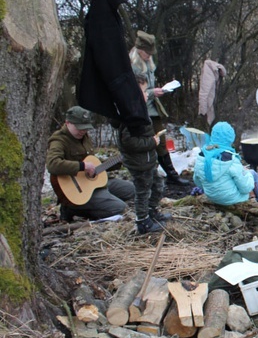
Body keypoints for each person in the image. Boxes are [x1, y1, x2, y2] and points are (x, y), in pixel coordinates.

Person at [46, 106, 135, 222]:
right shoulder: (59, 140)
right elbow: (52, 164)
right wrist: (82, 166)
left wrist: (118, 162)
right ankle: (73, 209)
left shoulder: (84, 137)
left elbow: (94, 165)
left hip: (96, 184)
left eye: (85, 128)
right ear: (67, 123)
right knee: (119, 208)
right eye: (79, 128)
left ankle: (103, 201)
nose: (83, 131)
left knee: (132, 190)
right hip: (78, 191)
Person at [130, 30, 189, 186]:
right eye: (147, 52)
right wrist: (152, 93)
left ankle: (171, 175)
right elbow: (133, 93)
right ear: (139, 50)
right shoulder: (132, 66)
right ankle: (146, 177)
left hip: (152, 109)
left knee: (161, 141)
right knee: (147, 143)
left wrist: (157, 91)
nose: (149, 55)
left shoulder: (148, 64)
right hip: (139, 111)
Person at [116, 74, 171, 234]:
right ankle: (143, 222)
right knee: (142, 191)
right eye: (144, 92)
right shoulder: (130, 116)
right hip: (139, 162)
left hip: (148, 160)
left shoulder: (140, 110)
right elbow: (129, 142)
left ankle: (152, 212)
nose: (147, 95)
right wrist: (151, 143)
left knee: (157, 184)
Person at [193, 122, 258, 205]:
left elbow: (197, 181)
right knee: (253, 173)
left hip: (212, 197)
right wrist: (245, 173)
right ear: (230, 138)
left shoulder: (202, 155)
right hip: (232, 199)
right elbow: (245, 188)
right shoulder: (231, 159)